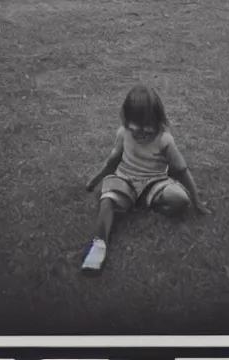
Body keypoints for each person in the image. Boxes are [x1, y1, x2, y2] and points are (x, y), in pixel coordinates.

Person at [82, 83, 209, 275]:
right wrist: (95, 180)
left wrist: (197, 200)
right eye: (135, 126)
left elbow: (182, 170)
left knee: (180, 199)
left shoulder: (164, 140)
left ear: (158, 121)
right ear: (126, 119)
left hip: (154, 182)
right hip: (126, 179)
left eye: (147, 127)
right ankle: (99, 245)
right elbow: (112, 162)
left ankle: (146, 203)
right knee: (106, 198)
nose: (140, 132)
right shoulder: (123, 134)